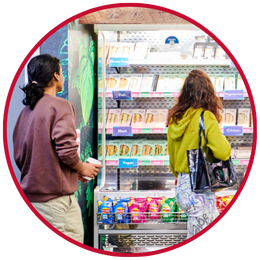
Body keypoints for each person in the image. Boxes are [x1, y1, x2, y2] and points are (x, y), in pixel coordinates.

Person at [13, 54, 102, 243]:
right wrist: (82, 167)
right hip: (55, 203)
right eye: (62, 72)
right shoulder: (60, 106)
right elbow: (67, 150)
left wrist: (67, 172)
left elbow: (23, 155)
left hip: (34, 198)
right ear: (55, 76)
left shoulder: (26, 110)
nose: (64, 76)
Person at [167, 69, 231, 239]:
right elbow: (223, 152)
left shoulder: (175, 118)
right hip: (199, 187)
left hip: (182, 186)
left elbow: (172, 159)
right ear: (208, 93)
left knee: (195, 231)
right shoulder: (206, 117)